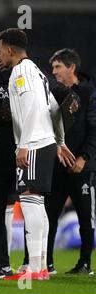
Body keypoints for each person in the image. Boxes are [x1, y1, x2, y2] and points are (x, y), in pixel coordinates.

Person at [0, 28, 75, 281]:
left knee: (29, 198)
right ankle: (40, 268)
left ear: (9, 49)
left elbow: (31, 108)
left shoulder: (21, 72)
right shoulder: (37, 72)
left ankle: (33, 269)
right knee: (37, 203)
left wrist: (24, 145)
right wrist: (59, 141)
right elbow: (54, 107)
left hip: (35, 143)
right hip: (45, 141)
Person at [45, 48, 95, 275]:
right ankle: (48, 263)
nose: (54, 72)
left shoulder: (88, 93)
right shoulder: (53, 93)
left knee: (85, 216)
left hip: (80, 167)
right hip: (57, 167)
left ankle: (85, 264)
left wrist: (85, 157)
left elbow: (94, 130)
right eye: (53, 67)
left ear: (71, 67)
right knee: (50, 216)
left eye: (58, 67)